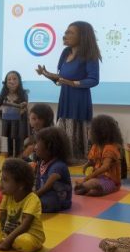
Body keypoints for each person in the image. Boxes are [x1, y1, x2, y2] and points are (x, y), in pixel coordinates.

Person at [35, 21, 101, 159]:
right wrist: (48, 75)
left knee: (76, 139)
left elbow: (93, 80)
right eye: (65, 32)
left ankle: (77, 162)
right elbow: (61, 79)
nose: (65, 35)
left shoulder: (90, 55)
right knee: (62, 137)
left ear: (82, 35)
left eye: (70, 32)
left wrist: (72, 83)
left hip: (79, 102)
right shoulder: (65, 53)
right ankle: (64, 161)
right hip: (65, 100)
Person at [0, 158, 44, 252]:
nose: (1, 184)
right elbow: (2, 219)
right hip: (9, 232)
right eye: (1, 179)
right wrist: (1, 233)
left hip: (29, 234)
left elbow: (25, 226)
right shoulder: (8, 196)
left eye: (5, 180)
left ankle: (8, 241)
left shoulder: (32, 199)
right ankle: (6, 240)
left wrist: (7, 241)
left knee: (24, 242)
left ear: (21, 185)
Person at [0, 71, 28, 157]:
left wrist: (22, 108)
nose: (12, 81)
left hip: (19, 125)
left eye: (14, 79)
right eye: (9, 79)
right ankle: (10, 161)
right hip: (8, 124)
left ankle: (18, 161)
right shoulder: (3, 94)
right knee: (9, 148)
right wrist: (5, 110)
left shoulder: (23, 93)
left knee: (19, 147)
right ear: (6, 82)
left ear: (19, 81)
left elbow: (24, 109)